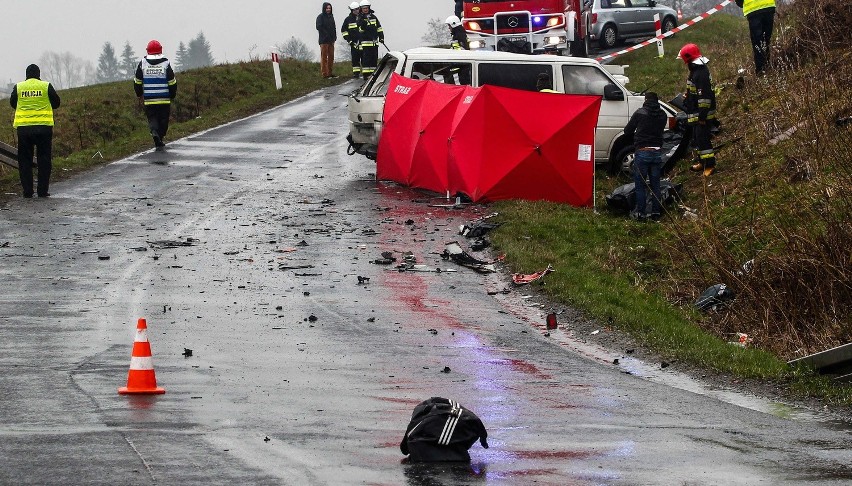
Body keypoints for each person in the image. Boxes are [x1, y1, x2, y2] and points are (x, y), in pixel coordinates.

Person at [9, 64, 60, 198]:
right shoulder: (45, 86)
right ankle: (42, 191)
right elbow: (56, 103)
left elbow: (13, 103)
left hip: (24, 130)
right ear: (39, 74)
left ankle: (27, 191)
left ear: (26, 75)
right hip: (44, 128)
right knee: (44, 159)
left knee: (25, 160)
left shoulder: (19, 87)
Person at [623, 92, 668, 221]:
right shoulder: (663, 115)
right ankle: (655, 213)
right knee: (655, 185)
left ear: (646, 100)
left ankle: (641, 214)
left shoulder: (640, 113)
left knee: (640, 185)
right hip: (656, 153)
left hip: (642, 151)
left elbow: (628, 130)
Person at [678, 43, 717, 176]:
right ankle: (702, 162)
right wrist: (688, 95)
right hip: (696, 113)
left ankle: (709, 165)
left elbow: (704, 97)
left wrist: (702, 117)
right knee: (697, 139)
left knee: (703, 139)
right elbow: (696, 91)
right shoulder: (696, 71)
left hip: (702, 114)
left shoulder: (700, 73)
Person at [134, 40, 177, 150]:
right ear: (160, 50)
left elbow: (137, 81)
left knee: (152, 118)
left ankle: (154, 132)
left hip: (149, 99)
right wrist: (172, 94)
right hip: (164, 98)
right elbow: (172, 81)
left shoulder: (143, 63)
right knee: (163, 120)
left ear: (148, 51)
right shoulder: (165, 63)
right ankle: (160, 137)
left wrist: (139, 94)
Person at [736, 0, 775, 74]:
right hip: (769, 7)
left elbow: (739, 2)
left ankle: (761, 71)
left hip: (753, 11)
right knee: (766, 40)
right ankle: (767, 67)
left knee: (758, 43)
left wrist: (741, 3)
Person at [358, 0, 384, 79]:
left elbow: (379, 28)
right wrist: (364, 21)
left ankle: (373, 74)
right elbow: (360, 30)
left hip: (374, 42)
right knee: (366, 59)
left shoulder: (373, 17)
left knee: (374, 58)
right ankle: (366, 74)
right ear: (361, 9)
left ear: (369, 8)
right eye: (363, 8)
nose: (365, 10)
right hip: (366, 42)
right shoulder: (360, 18)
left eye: (366, 8)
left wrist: (381, 37)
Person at [316, 2, 338, 78]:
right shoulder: (320, 17)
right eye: (327, 8)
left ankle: (330, 72)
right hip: (324, 40)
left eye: (329, 8)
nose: (328, 10)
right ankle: (324, 73)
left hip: (331, 40)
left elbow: (334, 28)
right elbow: (319, 27)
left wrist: (334, 37)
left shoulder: (331, 17)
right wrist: (326, 34)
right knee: (324, 57)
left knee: (331, 57)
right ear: (324, 9)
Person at [342, 2, 362, 78]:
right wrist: (349, 40)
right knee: (355, 58)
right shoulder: (348, 20)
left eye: (357, 9)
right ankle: (356, 73)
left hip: (363, 42)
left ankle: (365, 73)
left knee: (364, 58)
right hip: (353, 42)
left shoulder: (362, 18)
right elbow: (344, 31)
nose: (356, 11)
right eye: (354, 10)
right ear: (351, 10)